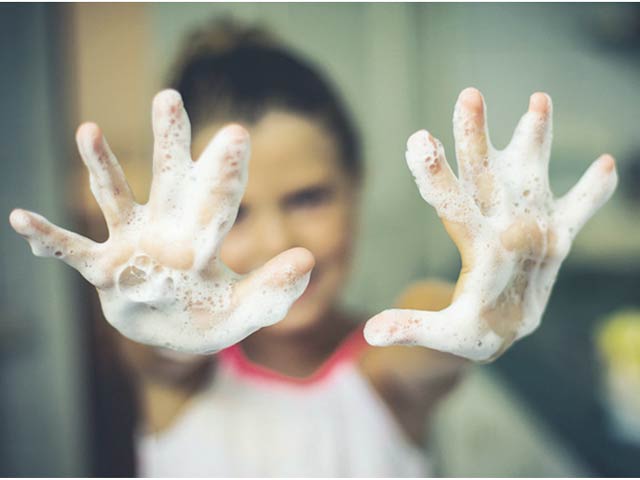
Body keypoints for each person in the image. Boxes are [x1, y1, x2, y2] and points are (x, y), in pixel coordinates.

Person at [9, 18, 617, 477]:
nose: (279, 243)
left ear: (357, 185)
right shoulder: (180, 376)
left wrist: (476, 309)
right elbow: (155, 358)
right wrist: (154, 314)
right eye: (236, 213)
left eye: (308, 198)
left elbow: (431, 331)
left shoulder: (383, 369)